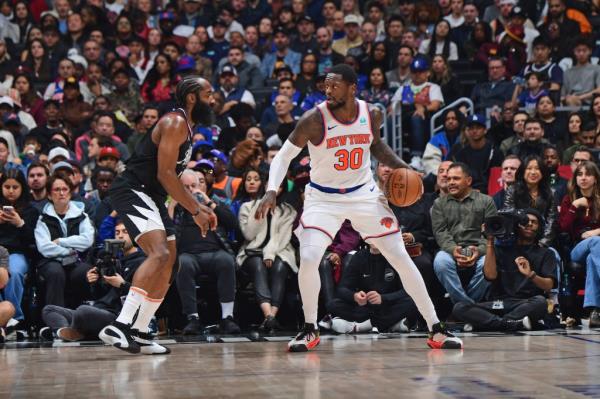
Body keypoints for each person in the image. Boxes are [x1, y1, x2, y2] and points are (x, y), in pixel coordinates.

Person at [256, 64, 463, 352]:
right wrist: (270, 191)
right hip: (323, 198)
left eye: (334, 86)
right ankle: (309, 328)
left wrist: (404, 169)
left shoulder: (371, 113)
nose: (328, 91)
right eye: (325, 86)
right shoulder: (313, 119)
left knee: (400, 257)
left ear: (353, 88)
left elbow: (376, 145)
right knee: (310, 255)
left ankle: (436, 328)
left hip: (363, 194)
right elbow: (282, 158)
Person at [99, 76, 217, 355]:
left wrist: (199, 207)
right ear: (192, 97)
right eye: (208, 94)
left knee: (171, 263)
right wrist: (196, 209)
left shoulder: (189, 126)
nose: (213, 99)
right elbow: (165, 173)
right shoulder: (175, 122)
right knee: (160, 253)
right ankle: (120, 324)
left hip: (152, 195)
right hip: (132, 189)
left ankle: (139, 331)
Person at [453, 209, 556, 331]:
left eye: (534, 222)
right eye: (526, 221)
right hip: (497, 303)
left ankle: (489, 323)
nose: (529, 224)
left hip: (524, 304)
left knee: (540, 302)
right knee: (459, 307)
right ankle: (510, 323)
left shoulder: (546, 253)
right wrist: (490, 240)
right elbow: (490, 276)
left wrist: (531, 275)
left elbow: (548, 285)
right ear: (516, 226)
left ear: (539, 228)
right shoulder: (500, 249)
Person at [41, 220, 145, 341]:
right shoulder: (111, 261)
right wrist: (93, 282)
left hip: (117, 316)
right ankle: (68, 331)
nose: (120, 236)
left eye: (125, 232)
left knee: (83, 311)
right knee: (49, 309)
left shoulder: (142, 262)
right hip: (98, 311)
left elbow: (143, 296)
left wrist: (122, 284)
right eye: (117, 233)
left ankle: (62, 331)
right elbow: (99, 295)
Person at [174, 169, 240, 335]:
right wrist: (172, 207)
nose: (191, 191)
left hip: (215, 252)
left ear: (201, 186)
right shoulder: (176, 208)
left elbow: (233, 223)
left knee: (226, 261)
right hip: (188, 255)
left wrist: (209, 203)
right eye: (185, 187)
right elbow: (169, 235)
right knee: (183, 264)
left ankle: (227, 318)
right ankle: (193, 318)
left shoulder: (215, 202)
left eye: (194, 186)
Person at [431, 162, 497, 305]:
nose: (451, 183)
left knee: (489, 263)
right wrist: (453, 250)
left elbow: (490, 234)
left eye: (456, 178)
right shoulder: (439, 204)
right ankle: (470, 308)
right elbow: (441, 233)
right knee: (440, 262)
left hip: (479, 249)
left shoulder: (486, 201)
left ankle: (461, 309)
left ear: (468, 181)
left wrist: (478, 251)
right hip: (451, 250)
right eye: (448, 179)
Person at [328, 244, 419, 334]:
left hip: (388, 304)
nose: (375, 239)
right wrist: (355, 296)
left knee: (412, 302)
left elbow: (408, 290)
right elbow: (342, 289)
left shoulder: (396, 256)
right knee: (333, 304)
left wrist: (383, 298)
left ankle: (362, 326)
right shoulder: (359, 257)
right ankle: (389, 324)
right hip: (366, 306)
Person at [34, 174, 94, 308]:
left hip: (77, 261)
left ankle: (79, 317)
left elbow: (87, 240)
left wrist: (61, 241)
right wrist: (70, 251)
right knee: (56, 272)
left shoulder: (82, 215)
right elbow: (44, 247)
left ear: (70, 193)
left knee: (84, 271)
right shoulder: (43, 219)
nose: (61, 193)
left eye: (65, 189)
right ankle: (55, 319)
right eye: (56, 190)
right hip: (51, 261)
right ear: (49, 195)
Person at [0, 169, 38, 323]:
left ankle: (15, 318)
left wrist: (20, 224)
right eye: (6, 187)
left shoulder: (30, 210)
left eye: (15, 187)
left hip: (18, 253)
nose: (10, 191)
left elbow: (33, 241)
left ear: (22, 188)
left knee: (15, 273)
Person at [503, 155, 558, 247]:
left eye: (537, 169)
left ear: (543, 172)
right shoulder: (512, 190)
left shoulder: (551, 193)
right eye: (529, 168)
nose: (533, 172)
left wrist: (542, 243)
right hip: (516, 240)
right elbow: (509, 216)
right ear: (523, 171)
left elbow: (551, 221)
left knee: (554, 256)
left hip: (542, 240)